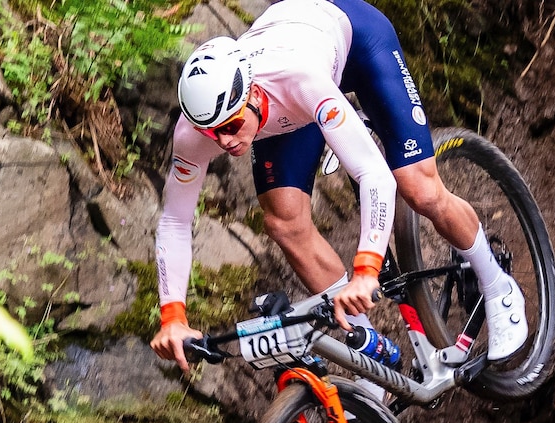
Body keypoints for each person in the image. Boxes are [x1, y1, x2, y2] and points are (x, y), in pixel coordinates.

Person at [150, 0, 528, 373]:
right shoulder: (195, 131)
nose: (224, 141)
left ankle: (498, 286)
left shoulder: (296, 79)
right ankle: (369, 354)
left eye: (231, 126)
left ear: (250, 94)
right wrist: (172, 316)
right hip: (290, 96)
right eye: (211, 133)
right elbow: (174, 221)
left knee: (418, 188)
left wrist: (366, 271)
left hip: (356, 42)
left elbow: (375, 174)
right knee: (284, 223)